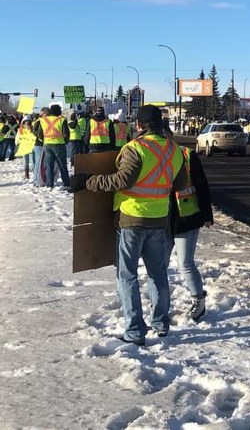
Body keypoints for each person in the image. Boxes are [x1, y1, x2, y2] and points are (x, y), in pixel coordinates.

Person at [70, 105, 188, 346]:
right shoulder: (174, 150)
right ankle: (161, 323)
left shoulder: (136, 148)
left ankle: (134, 331)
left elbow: (122, 180)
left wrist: (88, 181)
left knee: (128, 275)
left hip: (132, 218)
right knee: (158, 273)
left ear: (139, 125)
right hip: (159, 218)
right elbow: (180, 183)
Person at [167, 135, 214, 322]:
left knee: (185, 263)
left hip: (186, 217)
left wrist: (207, 215)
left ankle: (198, 301)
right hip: (160, 218)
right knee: (159, 266)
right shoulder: (152, 156)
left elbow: (201, 185)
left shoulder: (187, 155)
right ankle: (160, 306)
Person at [40, 104, 70, 189]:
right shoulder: (62, 120)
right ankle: (66, 183)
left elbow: (39, 134)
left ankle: (50, 184)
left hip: (47, 145)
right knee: (62, 165)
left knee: (49, 165)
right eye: (60, 110)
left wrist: (45, 140)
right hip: (59, 145)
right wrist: (65, 142)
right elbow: (66, 134)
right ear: (57, 111)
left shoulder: (43, 120)